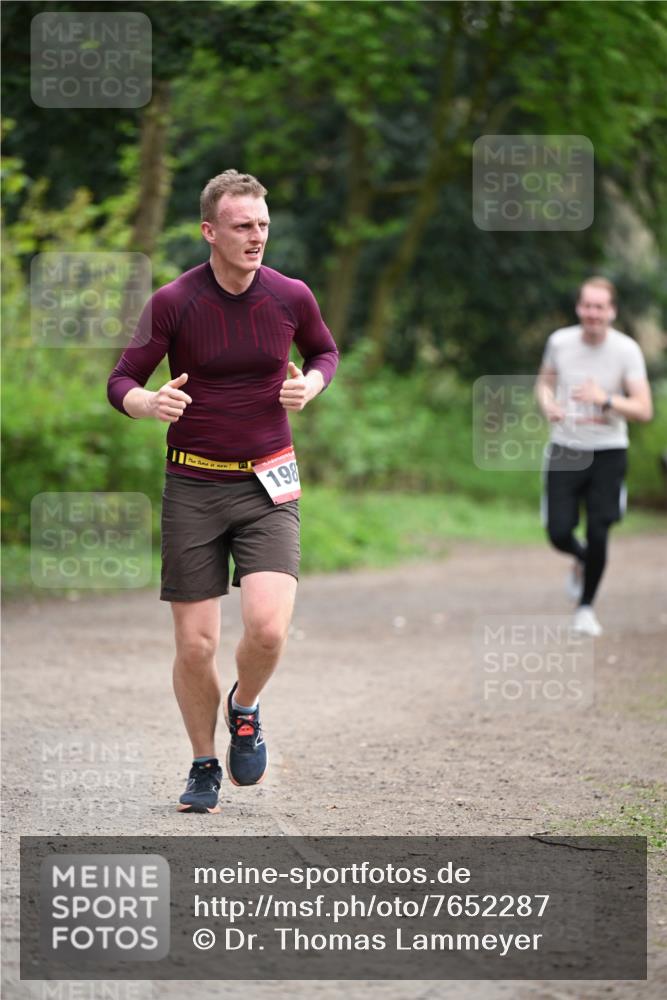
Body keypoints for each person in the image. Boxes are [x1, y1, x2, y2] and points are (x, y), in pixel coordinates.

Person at [107, 170, 338, 812]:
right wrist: (147, 402)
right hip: (193, 485)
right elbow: (120, 379)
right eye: (243, 226)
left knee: (266, 630)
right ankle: (203, 763)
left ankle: (245, 707)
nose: (256, 236)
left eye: (263, 225)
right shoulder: (175, 302)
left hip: (270, 483)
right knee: (196, 644)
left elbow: (324, 352)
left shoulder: (291, 296)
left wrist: (311, 386)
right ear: (210, 231)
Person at [535, 276, 652, 636]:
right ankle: (584, 559)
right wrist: (548, 405)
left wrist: (605, 399)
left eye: (600, 307)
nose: (593, 313)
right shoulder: (560, 342)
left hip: (608, 451)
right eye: (587, 306)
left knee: (599, 531)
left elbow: (644, 409)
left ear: (612, 311)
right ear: (578, 307)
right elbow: (544, 383)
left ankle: (585, 608)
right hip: (566, 448)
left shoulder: (627, 350)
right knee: (557, 532)